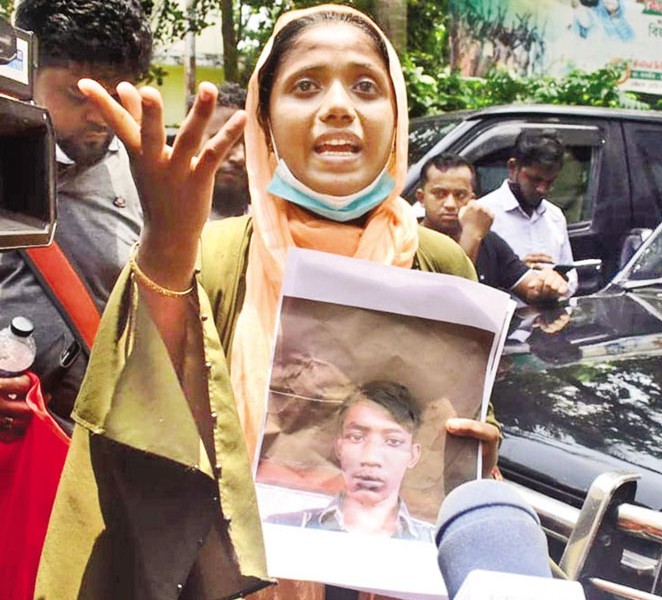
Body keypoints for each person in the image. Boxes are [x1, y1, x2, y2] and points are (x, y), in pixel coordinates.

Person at [37, 5, 501, 599]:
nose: (338, 105)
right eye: (305, 85)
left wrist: (477, 457)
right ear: (266, 118)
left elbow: (470, 436)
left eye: (366, 86)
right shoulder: (210, 255)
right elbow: (142, 439)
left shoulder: (441, 264)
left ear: (396, 113)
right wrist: (167, 246)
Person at [0, 0, 151, 438]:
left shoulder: (148, 174)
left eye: (117, 92)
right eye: (78, 94)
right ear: (26, 72)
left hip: (97, 449)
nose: (100, 114)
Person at [268, 381, 434, 541]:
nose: (371, 458)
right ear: (339, 447)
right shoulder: (279, 530)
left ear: (413, 455)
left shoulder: (436, 547)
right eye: (356, 437)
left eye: (393, 442)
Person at [418, 153, 568, 304]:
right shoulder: (408, 243)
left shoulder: (488, 241)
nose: (450, 204)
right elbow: (447, 304)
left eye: (460, 195)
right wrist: (471, 236)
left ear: (472, 199)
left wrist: (548, 284)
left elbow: (530, 287)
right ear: (421, 198)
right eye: (440, 194)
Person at [478, 130, 579, 298]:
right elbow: (471, 283)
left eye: (550, 182)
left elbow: (571, 277)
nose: (543, 189)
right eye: (535, 180)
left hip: (549, 319)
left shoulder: (555, 216)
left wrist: (557, 280)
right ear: (513, 168)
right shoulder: (484, 214)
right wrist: (515, 274)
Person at [189, 81, 251, 219]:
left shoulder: (269, 225)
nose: (240, 157)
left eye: (248, 145)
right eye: (224, 141)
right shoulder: (160, 221)